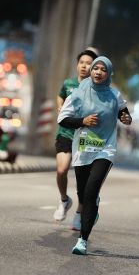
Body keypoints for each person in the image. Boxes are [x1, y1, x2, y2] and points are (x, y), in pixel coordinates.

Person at [58, 56, 132, 255]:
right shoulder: (78, 93)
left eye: (103, 69)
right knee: (83, 194)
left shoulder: (114, 95)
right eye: (95, 68)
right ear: (91, 71)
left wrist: (126, 118)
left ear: (109, 74)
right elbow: (62, 119)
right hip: (83, 149)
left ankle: (82, 240)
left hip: (105, 149)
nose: (98, 72)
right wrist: (83, 121)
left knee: (91, 191)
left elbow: (124, 114)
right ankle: (92, 206)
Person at [53, 49, 97, 228]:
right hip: (66, 132)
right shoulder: (69, 83)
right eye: (81, 62)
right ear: (77, 65)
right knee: (61, 170)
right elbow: (60, 95)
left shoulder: (96, 88)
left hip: (86, 136)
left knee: (83, 179)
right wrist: (60, 106)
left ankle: (80, 211)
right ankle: (64, 200)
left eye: (89, 63)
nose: (84, 66)